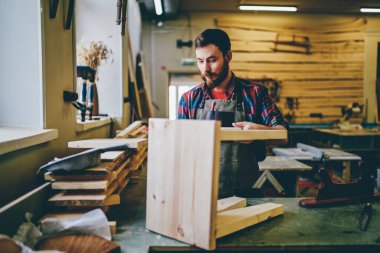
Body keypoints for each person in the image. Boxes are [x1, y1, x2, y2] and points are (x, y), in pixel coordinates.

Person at [178, 28, 289, 198]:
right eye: (200, 61)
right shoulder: (189, 99)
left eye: (212, 60)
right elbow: (181, 149)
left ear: (228, 56)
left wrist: (259, 132)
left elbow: (284, 135)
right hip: (201, 192)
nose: (205, 69)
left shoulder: (255, 94)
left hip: (247, 192)